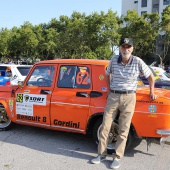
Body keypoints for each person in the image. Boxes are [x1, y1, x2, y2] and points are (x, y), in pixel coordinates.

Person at [91, 38, 157, 169]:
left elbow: (150, 76)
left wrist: (152, 90)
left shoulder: (138, 61)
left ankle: (117, 157)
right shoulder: (114, 60)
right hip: (113, 96)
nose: (126, 49)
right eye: (123, 46)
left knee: (123, 128)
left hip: (129, 97)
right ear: (120, 48)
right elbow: (107, 74)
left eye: (128, 47)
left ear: (132, 48)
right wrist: (109, 89)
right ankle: (101, 154)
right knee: (105, 126)